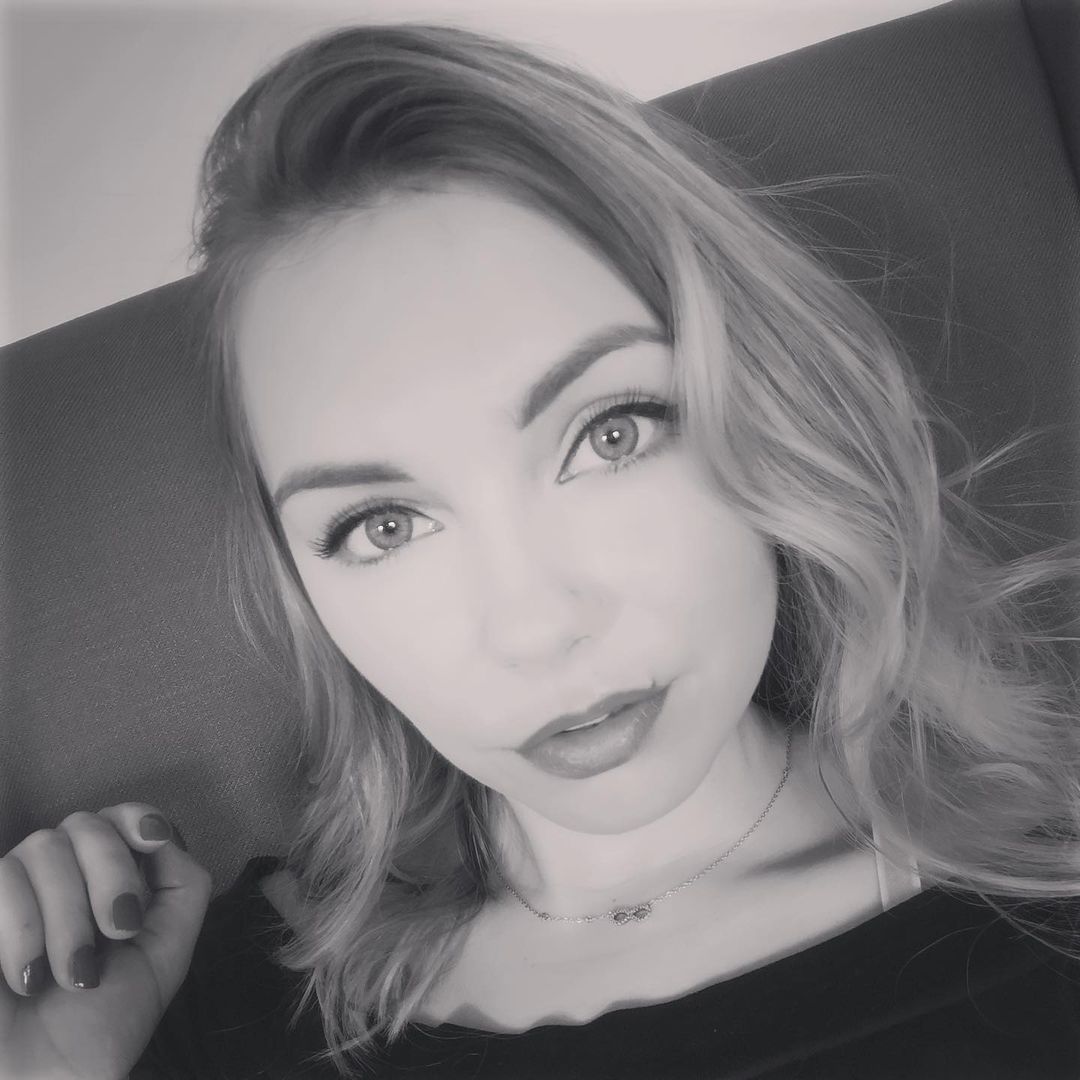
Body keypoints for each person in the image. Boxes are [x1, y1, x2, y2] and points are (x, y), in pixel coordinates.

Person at [2, 20, 1079, 1080]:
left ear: (768, 403)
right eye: (383, 526)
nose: (536, 628)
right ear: (302, 585)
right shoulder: (198, 1004)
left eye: (611, 435)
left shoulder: (1047, 918)